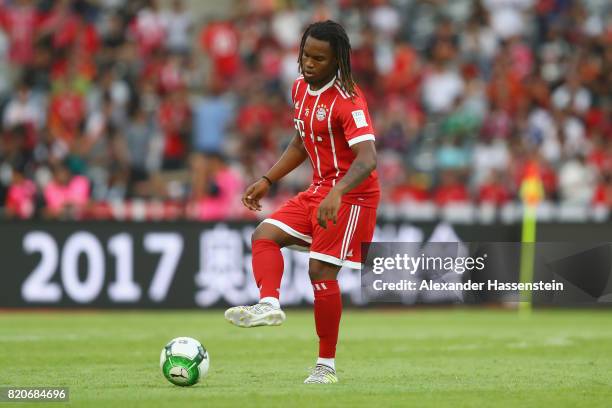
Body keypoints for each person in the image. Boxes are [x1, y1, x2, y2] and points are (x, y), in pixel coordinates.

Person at [225, 20, 379, 384]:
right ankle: (269, 303)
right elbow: (299, 142)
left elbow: (368, 158)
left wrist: (338, 193)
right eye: (306, 55)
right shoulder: (299, 89)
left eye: (319, 58)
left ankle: (326, 366)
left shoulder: (348, 99)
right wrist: (268, 179)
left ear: (336, 61)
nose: (309, 63)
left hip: (352, 197)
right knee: (264, 234)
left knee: (320, 273)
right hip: (319, 190)